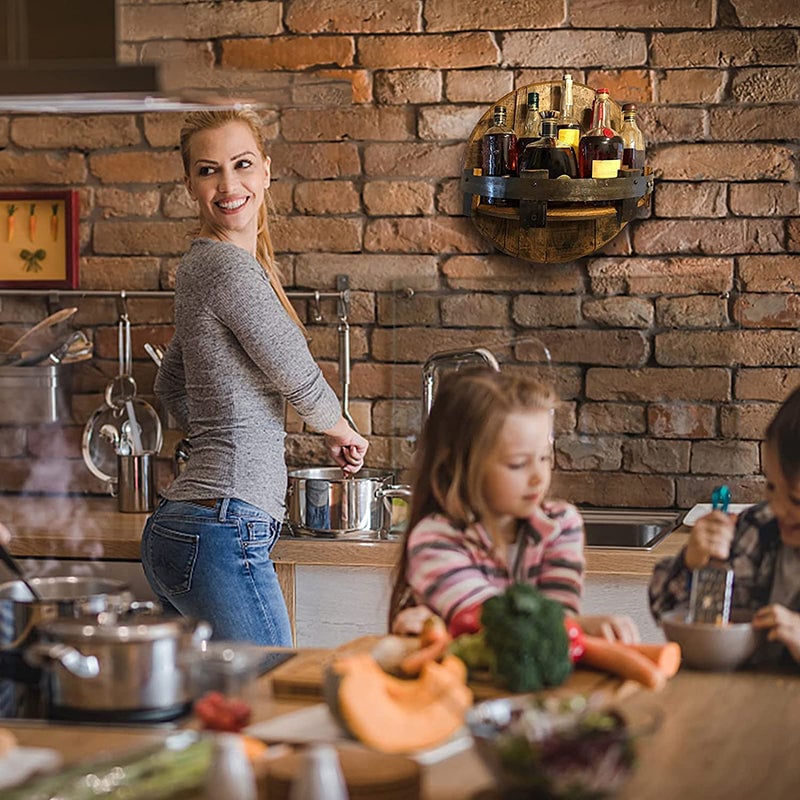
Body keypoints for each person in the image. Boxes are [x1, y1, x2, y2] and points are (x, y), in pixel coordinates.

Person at [141, 108, 368, 646]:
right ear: (190, 185)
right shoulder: (226, 268)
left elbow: (169, 389)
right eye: (208, 170)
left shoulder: (200, 267)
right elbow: (294, 370)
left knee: (214, 711)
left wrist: (228, 431)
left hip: (186, 526)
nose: (228, 184)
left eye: (241, 164)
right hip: (220, 527)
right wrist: (341, 429)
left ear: (265, 171)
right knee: (270, 691)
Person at [388, 368, 639, 643]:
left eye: (544, 457)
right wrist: (580, 626)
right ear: (458, 465)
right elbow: (494, 621)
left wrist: (570, 625)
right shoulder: (433, 540)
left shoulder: (562, 526)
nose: (538, 476)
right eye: (518, 463)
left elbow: (556, 624)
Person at [649, 385, 800, 666]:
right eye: (771, 486)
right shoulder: (758, 528)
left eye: (795, 499)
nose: (777, 507)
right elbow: (662, 608)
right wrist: (693, 564)